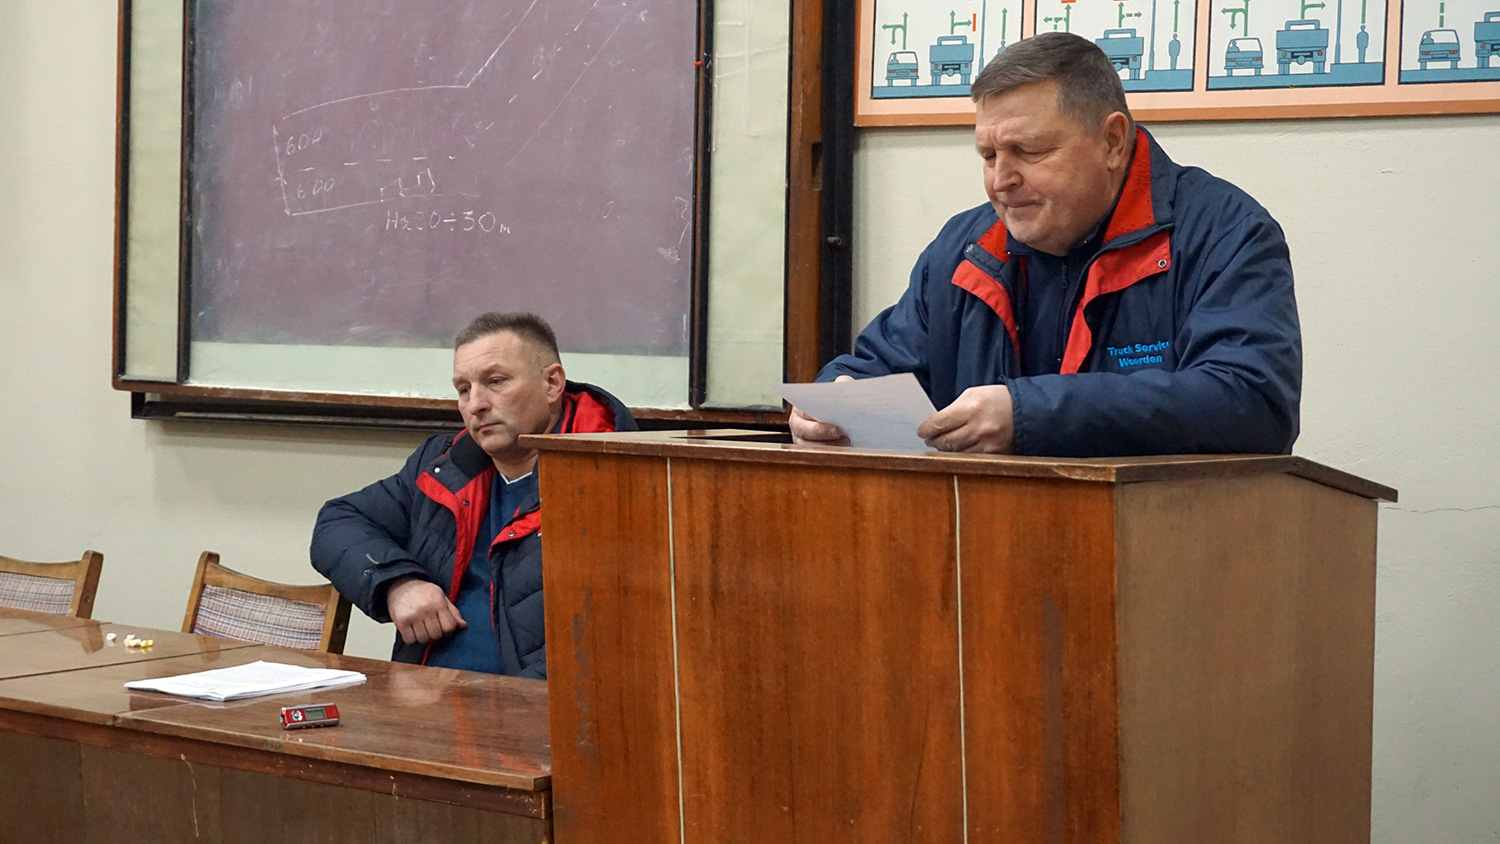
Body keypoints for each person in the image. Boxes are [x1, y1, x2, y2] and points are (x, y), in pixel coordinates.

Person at [790, 32, 1300, 457]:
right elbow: (875, 369)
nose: (1001, 181)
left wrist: (1030, 414)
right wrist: (832, 404)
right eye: (989, 155)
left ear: (1112, 142)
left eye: (1028, 151)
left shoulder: (1225, 233)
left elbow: (1252, 403)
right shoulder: (963, 250)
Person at [311, 312, 638, 677]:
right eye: (464, 389)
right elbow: (337, 522)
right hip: (425, 694)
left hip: (533, 703)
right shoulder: (443, 464)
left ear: (551, 383)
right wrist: (398, 584)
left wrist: (499, 704)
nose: (475, 404)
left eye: (495, 381)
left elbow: (604, 648)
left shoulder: (619, 479)